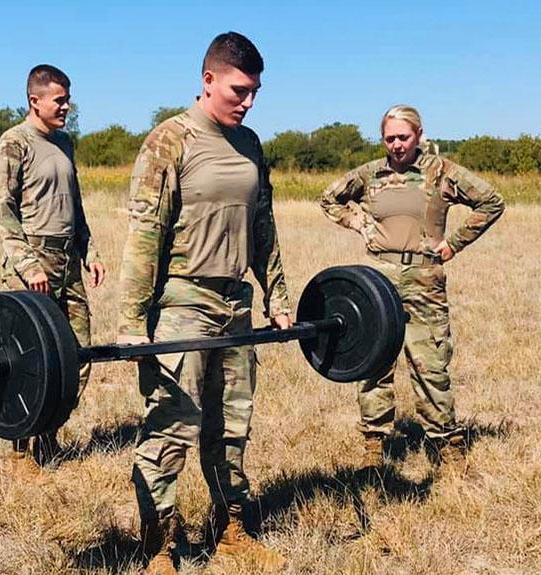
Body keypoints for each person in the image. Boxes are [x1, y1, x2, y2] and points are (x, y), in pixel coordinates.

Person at [117, 32, 291, 574]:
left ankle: (231, 528)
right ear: (208, 79)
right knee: (172, 426)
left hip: (236, 302)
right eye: (239, 90)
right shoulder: (170, 141)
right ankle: (160, 546)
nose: (248, 101)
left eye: (256, 92)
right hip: (183, 302)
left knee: (231, 426)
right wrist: (130, 320)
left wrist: (277, 295)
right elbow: (145, 235)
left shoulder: (251, 144)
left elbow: (263, 226)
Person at [320, 105, 505, 469]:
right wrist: (362, 223)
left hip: (424, 280)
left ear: (418, 135)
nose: (396, 145)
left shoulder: (441, 172)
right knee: (373, 362)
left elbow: (491, 201)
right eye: (389, 138)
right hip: (376, 280)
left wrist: (453, 243)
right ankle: (374, 442)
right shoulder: (371, 174)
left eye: (403, 137)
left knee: (430, 362)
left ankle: (445, 442)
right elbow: (329, 198)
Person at [0, 64, 106, 466]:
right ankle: (21, 452)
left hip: (68, 258)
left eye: (68, 99)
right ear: (34, 101)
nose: (66, 107)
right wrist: (27, 264)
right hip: (32, 262)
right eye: (59, 100)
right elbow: (1, 210)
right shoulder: (13, 143)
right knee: (28, 360)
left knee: (78, 354)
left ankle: (49, 434)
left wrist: (89, 251)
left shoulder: (65, 144)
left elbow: (76, 205)